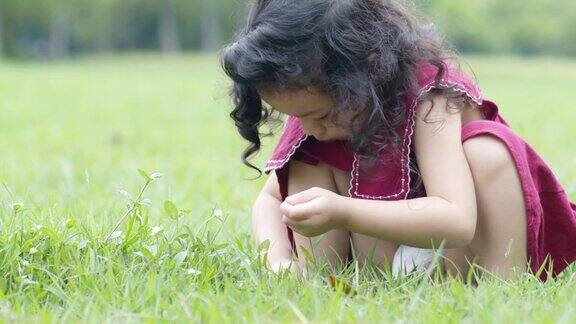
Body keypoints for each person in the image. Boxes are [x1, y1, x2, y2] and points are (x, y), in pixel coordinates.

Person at [220, 0, 576, 279]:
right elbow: (269, 201)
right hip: (392, 258)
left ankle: (501, 280)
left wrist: (343, 211)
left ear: (364, 72)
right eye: (299, 117)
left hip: (464, 249)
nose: (311, 128)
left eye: (321, 115)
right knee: (308, 159)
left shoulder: (430, 97)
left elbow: (458, 220)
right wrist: (277, 262)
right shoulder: (320, 105)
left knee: (488, 151)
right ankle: (320, 277)